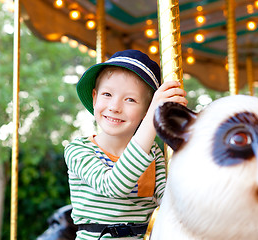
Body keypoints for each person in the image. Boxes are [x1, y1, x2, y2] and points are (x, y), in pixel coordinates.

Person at [64, 49, 187, 240]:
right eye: (107, 94)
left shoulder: (153, 152)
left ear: (146, 111)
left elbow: (171, 202)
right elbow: (113, 186)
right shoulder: (79, 150)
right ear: (95, 97)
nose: (114, 107)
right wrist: (152, 121)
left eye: (130, 99)